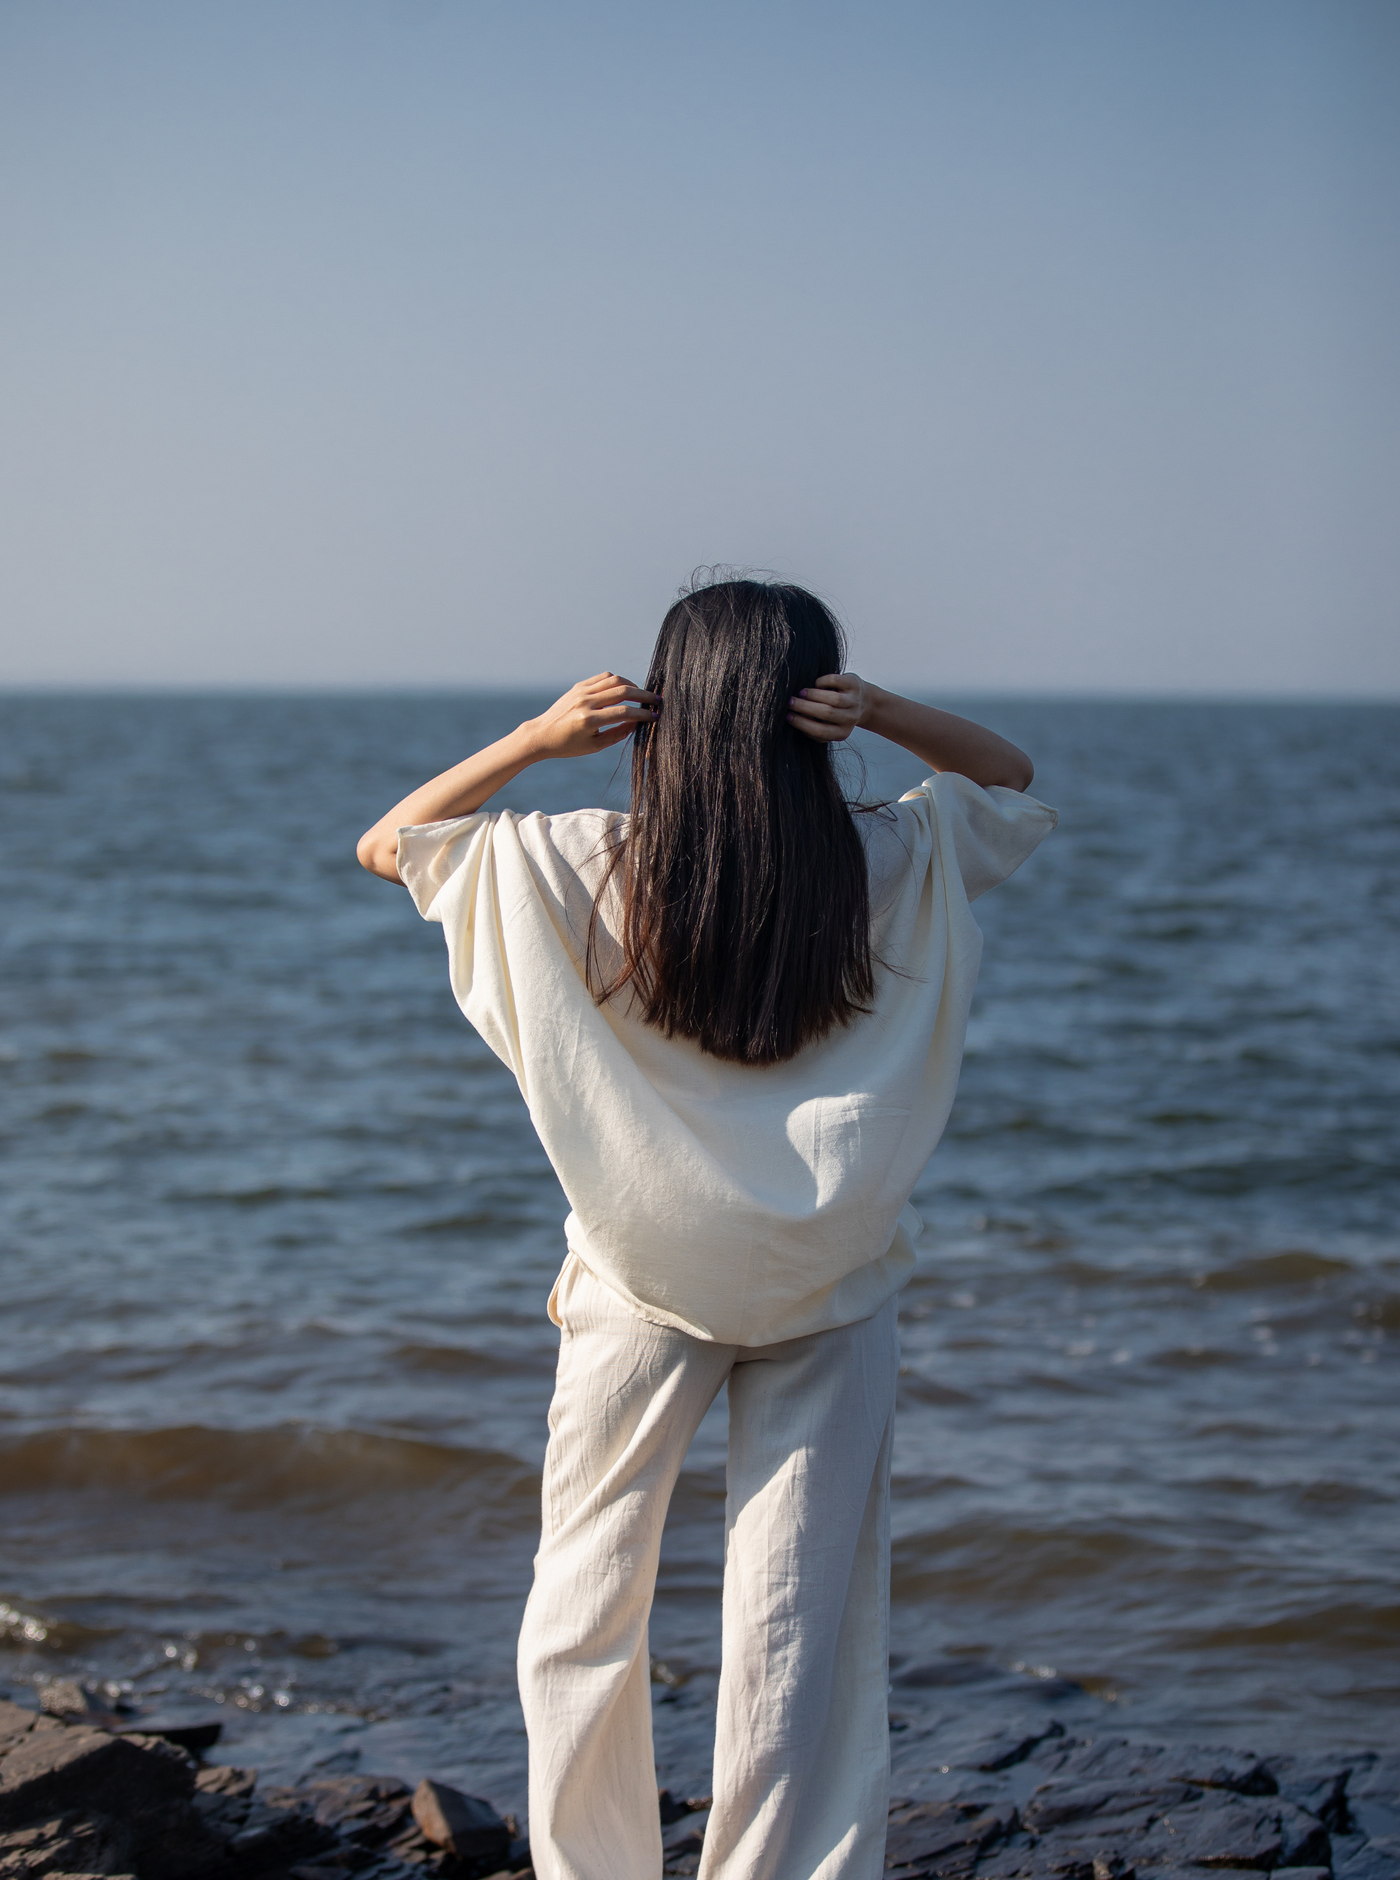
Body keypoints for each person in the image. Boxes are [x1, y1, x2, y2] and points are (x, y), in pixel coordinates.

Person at [356, 578, 1056, 1880]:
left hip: (640, 1279)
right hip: (829, 1282)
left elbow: (391, 842)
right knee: (802, 1621)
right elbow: (1010, 778)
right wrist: (886, 714)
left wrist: (532, 741)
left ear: (662, 709)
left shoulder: (583, 858)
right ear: (816, 711)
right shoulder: (888, 856)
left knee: (583, 1602)